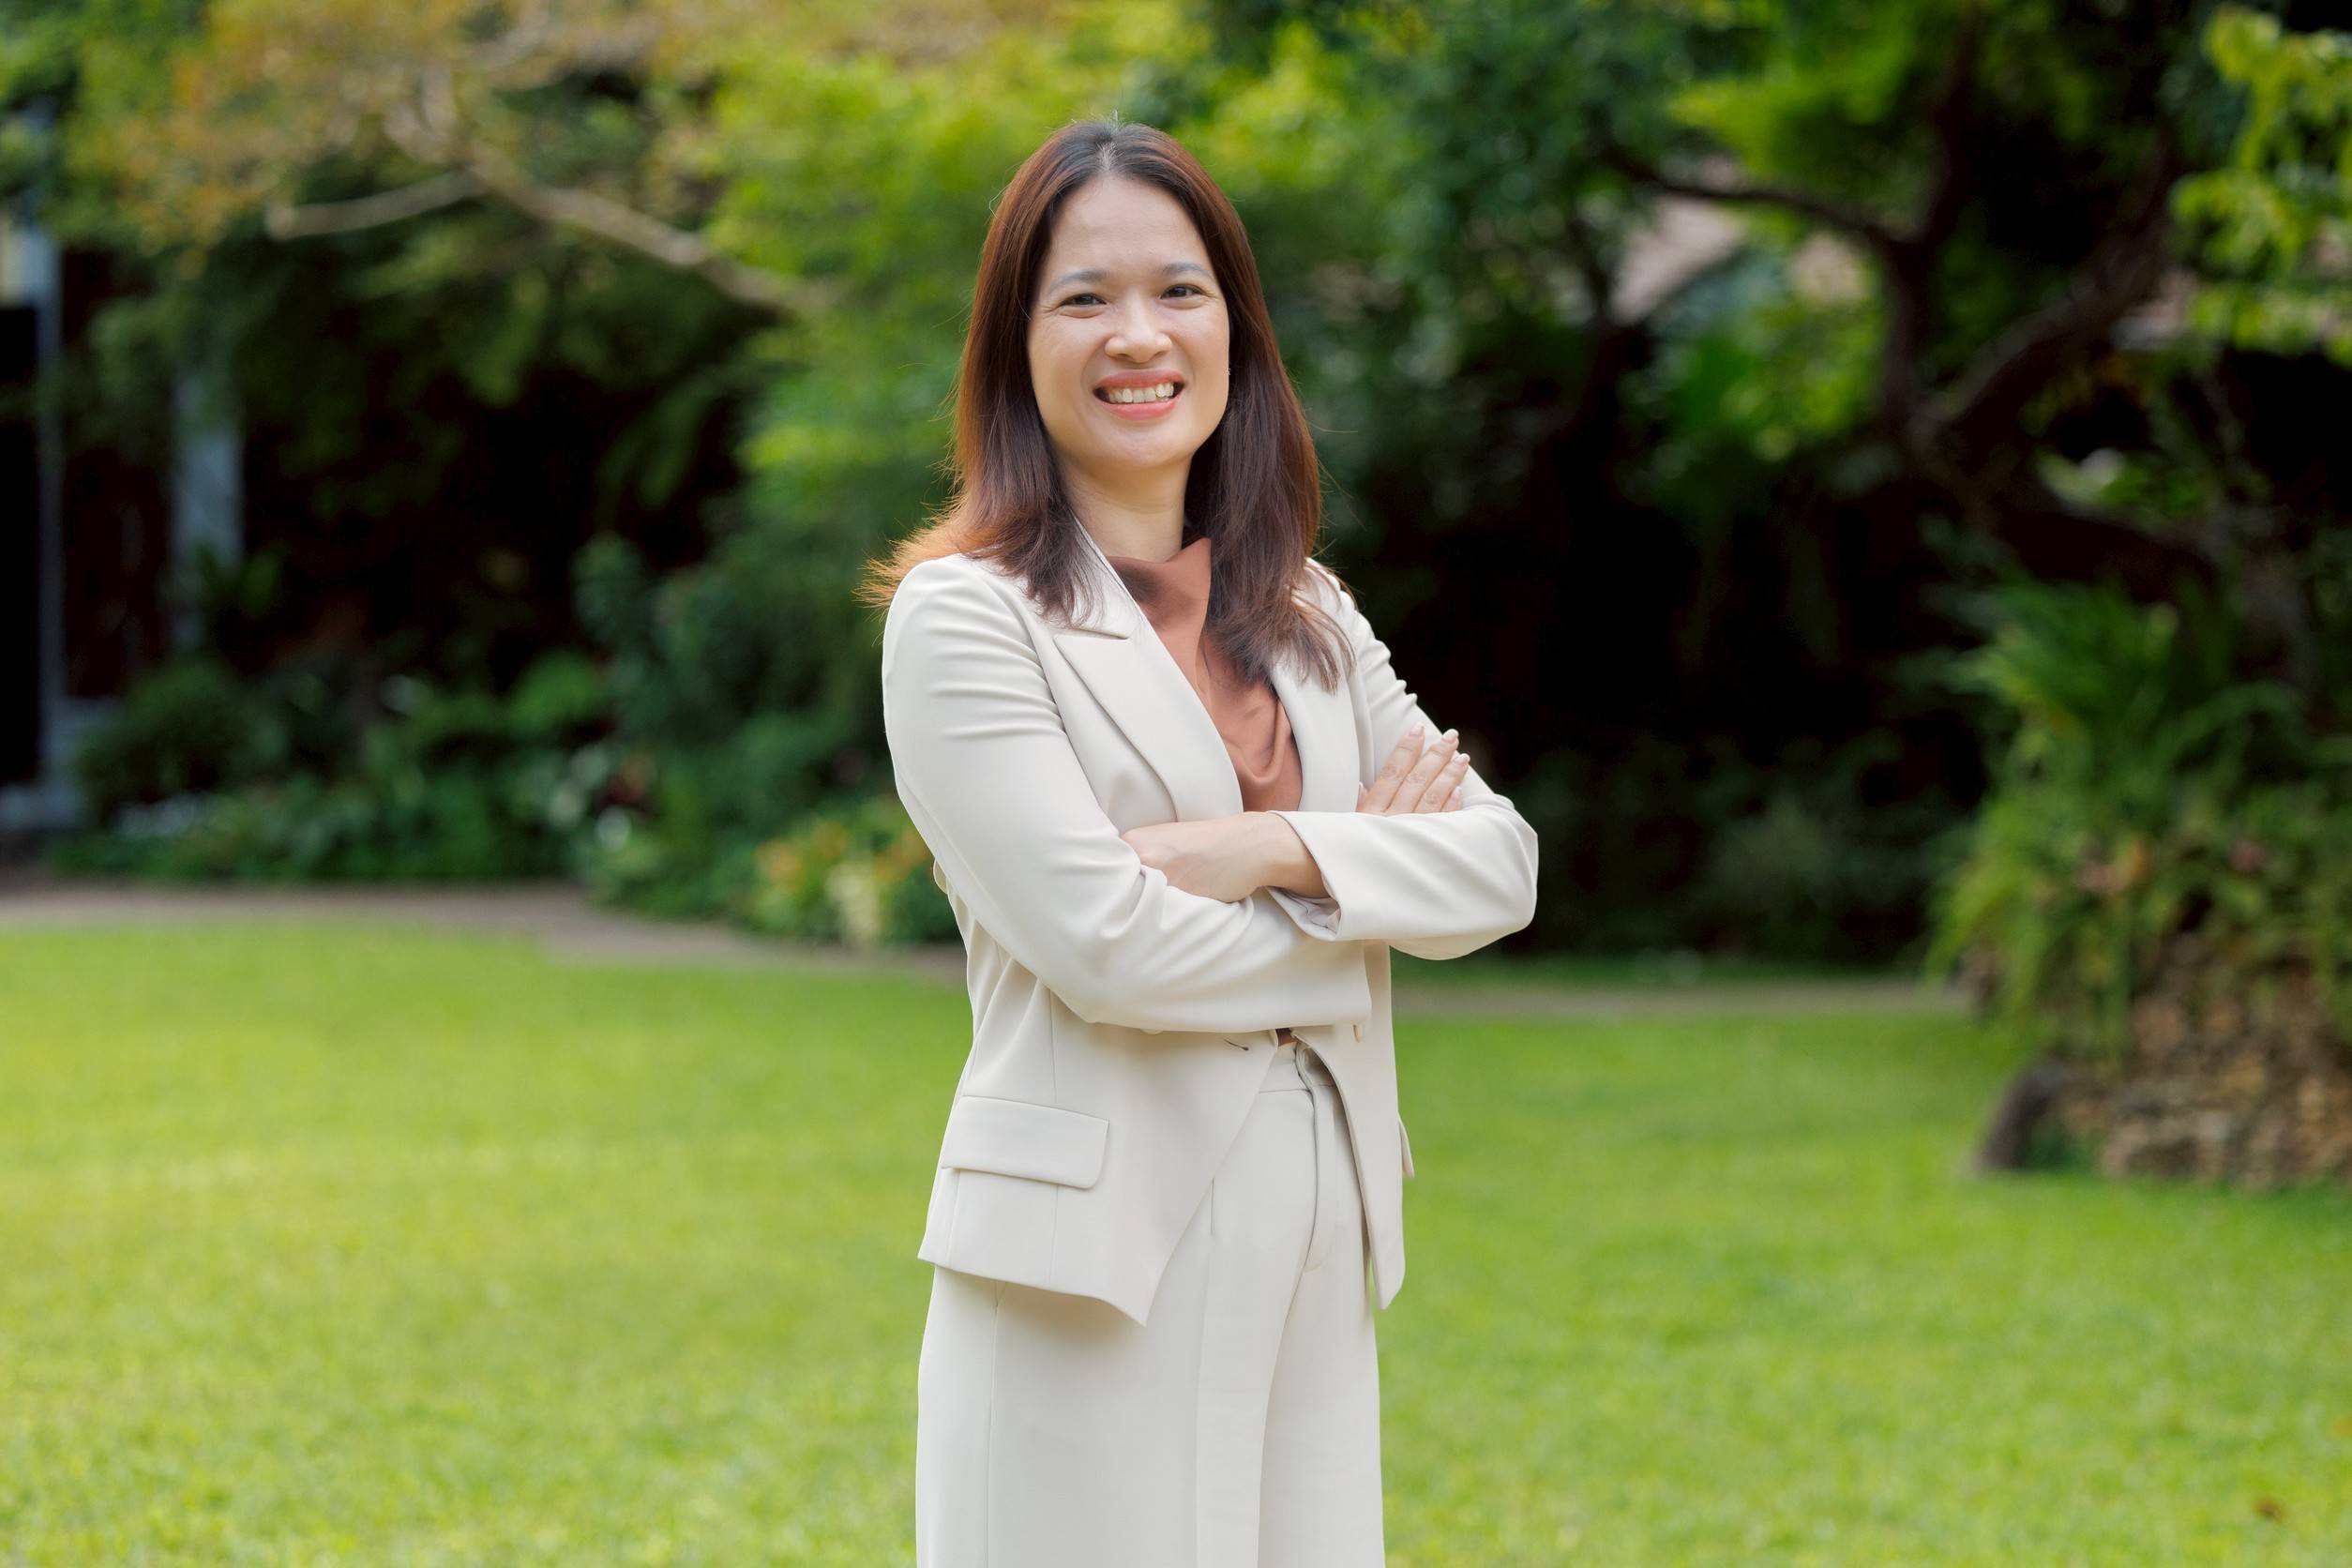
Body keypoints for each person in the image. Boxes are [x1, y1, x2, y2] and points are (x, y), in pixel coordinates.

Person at [863, 115, 1540, 1568]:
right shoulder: (965, 617)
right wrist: (1363, 896)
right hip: (1091, 1264)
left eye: (1180, 289)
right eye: (1084, 298)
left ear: (1234, 327)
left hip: (1322, 1246)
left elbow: (1499, 867)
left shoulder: (1306, 609)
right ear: (1014, 348)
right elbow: (1109, 948)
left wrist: (1273, 848)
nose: (1139, 336)